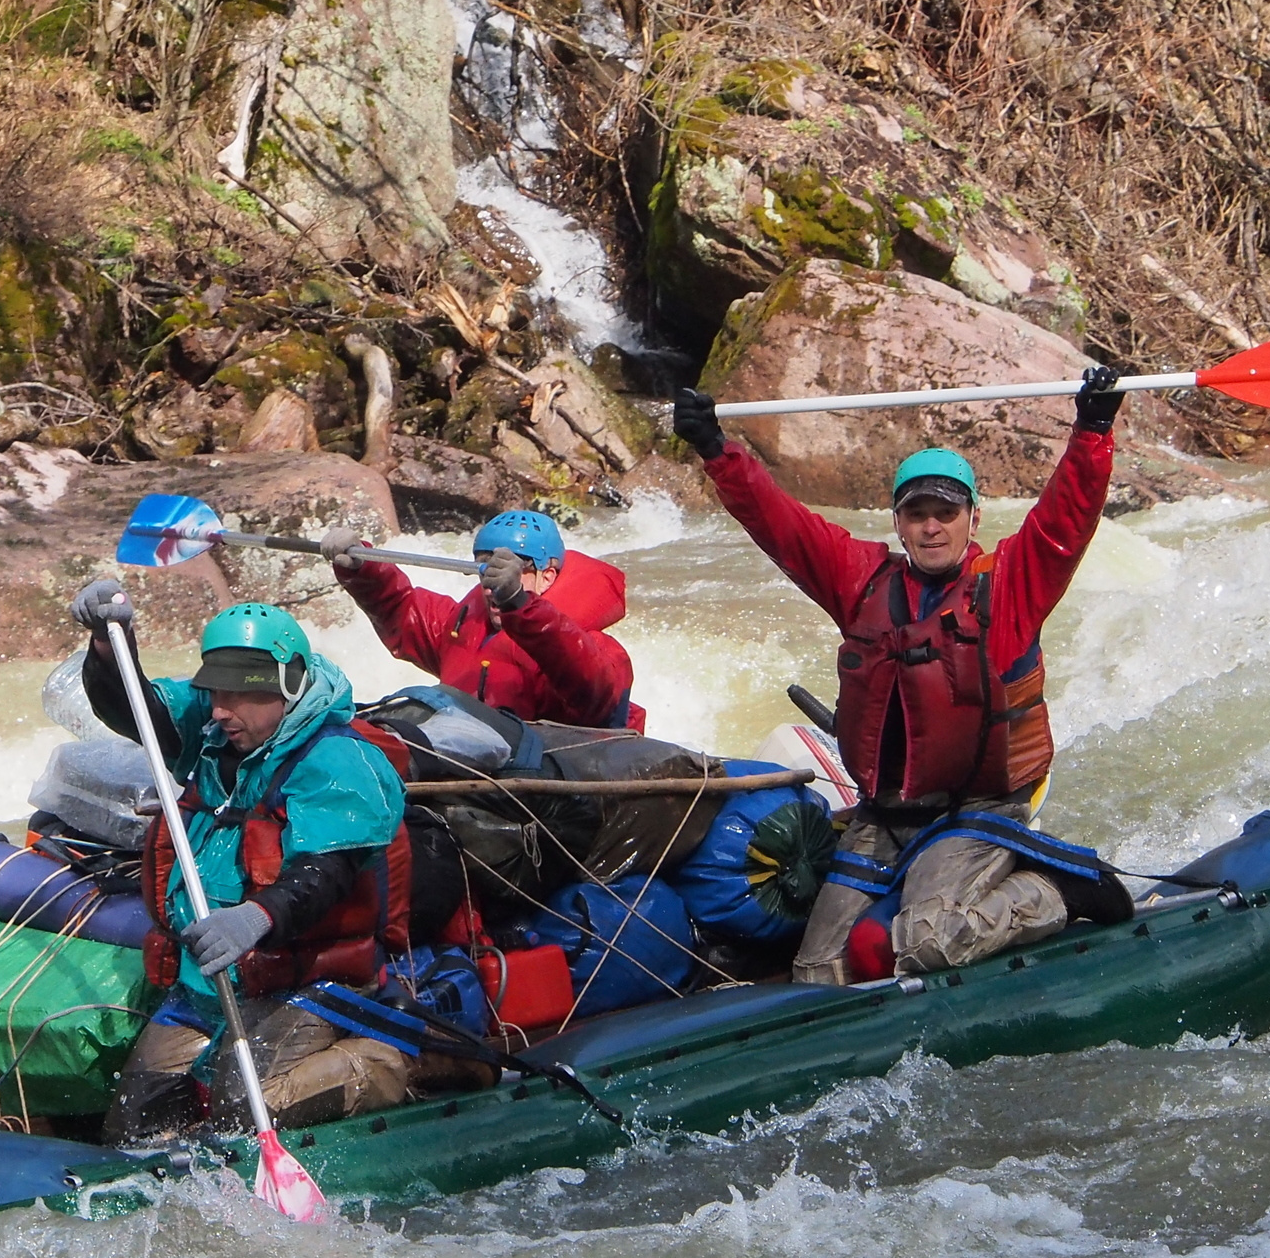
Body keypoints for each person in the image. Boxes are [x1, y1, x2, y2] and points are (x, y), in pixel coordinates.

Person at [669, 370, 1134, 985]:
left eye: (946, 512)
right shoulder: (860, 580)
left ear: (973, 517)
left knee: (927, 943)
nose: (931, 526)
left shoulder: (1010, 586)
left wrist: (1093, 431)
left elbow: (1063, 522)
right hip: (886, 812)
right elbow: (779, 524)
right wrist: (715, 450)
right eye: (917, 513)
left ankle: (1053, 891)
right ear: (898, 521)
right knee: (816, 970)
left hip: (979, 808)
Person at [68, 583, 419, 1142]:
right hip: (212, 985)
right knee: (136, 1125)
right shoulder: (210, 729)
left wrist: (254, 919)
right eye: (216, 691)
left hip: (314, 984)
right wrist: (111, 648)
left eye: (244, 695)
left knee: (242, 1107)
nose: (223, 709)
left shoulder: (340, 759)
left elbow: (325, 875)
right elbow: (137, 706)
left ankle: (380, 1061)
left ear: (291, 683)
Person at [319, 509, 642, 730]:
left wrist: (520, 605)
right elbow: (400, 607)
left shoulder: (593, 646)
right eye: (486, 570)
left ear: (548, 576)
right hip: (467, 766)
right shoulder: (462, 627)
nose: (493, 588)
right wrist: (361, 566)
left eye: (513, 571)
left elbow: (588, 681)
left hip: (541, 787)